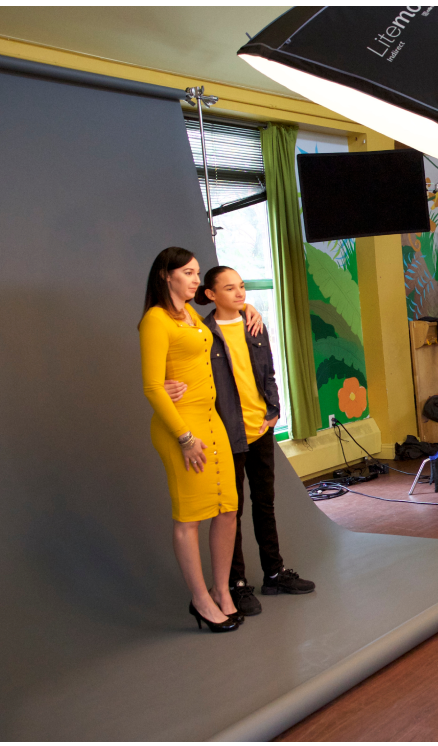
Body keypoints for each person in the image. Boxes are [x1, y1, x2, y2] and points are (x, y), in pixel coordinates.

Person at [164, 266, 314, 617]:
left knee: (265, 504)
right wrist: (167, 385)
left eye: (242, 287)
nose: (240, 293)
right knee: (230, 513)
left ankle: (274, 573)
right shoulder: (204, 332)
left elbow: (268, 372)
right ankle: (236, 584)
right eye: (230, 288)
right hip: (227, 434)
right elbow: (187, 367)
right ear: (211, 294)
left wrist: (274, 409)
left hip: (261, 428)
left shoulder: (253, 324)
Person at [138, 247, 240, 633]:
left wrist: (249, 309)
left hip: (211, 422)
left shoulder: (190, 314)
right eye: (188, 272)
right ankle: (200, 600)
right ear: (166, 275)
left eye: (198, 273)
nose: (196, 279)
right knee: (190, 518)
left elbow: (216, 324)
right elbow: (152, 387)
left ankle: (222, 591)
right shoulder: (155, 319)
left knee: (227, 509)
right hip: (182, 428)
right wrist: (184, 438)